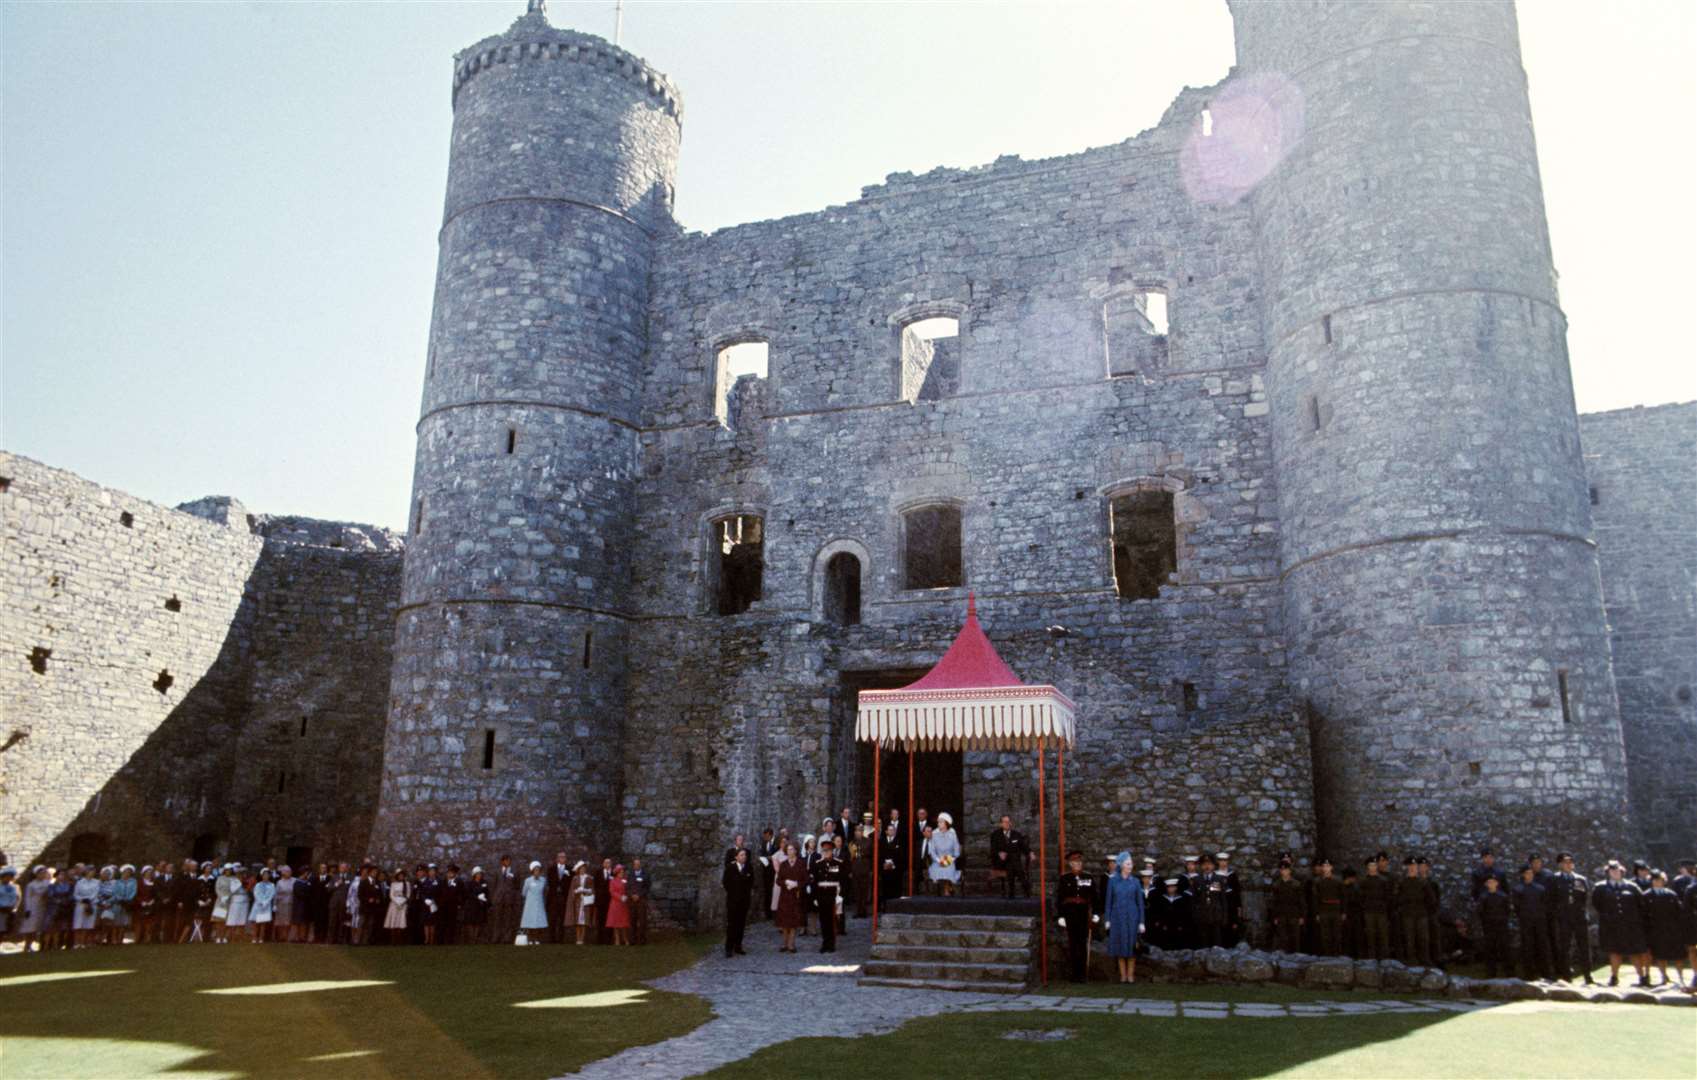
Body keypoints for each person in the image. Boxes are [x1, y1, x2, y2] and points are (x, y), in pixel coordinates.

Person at [1593, 859, 1650, 987]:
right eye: (1612, 870)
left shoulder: (1632, 887)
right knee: (1614, 952)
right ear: (1608, 872)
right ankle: (1614, 977)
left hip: (1630, 925)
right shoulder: (1600, 887)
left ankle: (1641, 977)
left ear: (1622, 871)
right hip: (1611, 925)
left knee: (1634, 952)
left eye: (1617, 870)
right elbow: (1597, 904)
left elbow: (1641, 904)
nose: (1615, 873)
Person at [1549, 852, 1593, 984]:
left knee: (1584, 946)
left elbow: (1585, 898)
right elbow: (1551, 899)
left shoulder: (1580, 879)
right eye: (1565, 862)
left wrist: (1584, 912)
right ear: (1560, 865)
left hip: (1579, 916)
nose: (1568, 864)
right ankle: (1566, 974)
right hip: (1563, 917)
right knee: (1565, 946)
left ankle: (1587, 975)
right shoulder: (1554, 879)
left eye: (1570, 862)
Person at [1056, 851, 1100, 982]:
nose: (1078, 864)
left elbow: (1095, 898)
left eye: (1079, 862)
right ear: (1070, 864)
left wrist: (1096, 913)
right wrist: (1061, 915)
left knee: (1082, 943)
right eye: (1075, 862)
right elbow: (1059, 898)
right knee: (1072, 943)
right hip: (1070, 913)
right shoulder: (1064, 878)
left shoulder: (1088, 877)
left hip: (1083, 913)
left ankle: (1082, 975)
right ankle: (1074, 974)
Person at [1102, 852, 1145, 984]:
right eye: (1127, 863)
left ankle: (1131, 975)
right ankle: (1123, 975)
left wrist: (1142, 922)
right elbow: (1108, 902)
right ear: (1121, 865)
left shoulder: (1136, 882)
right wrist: (1107, 920)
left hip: (1132, 918)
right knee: (1120, 946)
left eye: (1131, 863)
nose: (1130, 866)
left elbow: (1140, 904)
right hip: (1117, 918)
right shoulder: (1112, 881)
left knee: (1132, 945)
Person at [1642, 870, 1687, 988]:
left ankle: (1681, 977)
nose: (1657, 882)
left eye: (1660, 880)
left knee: (1678, 955)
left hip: (1672, 929)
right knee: (1660, 954)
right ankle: (1663, 976)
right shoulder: (1646, 896)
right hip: (1655, 930)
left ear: (1664, 881)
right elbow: (1644, 914)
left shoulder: (1671, 894)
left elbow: (1679, 911)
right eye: (1655, 880)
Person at [1512, 863, 1555, 980]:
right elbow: (1517, 907)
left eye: (1531, 873)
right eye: (1527, 873)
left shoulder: (1540, 888)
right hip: (1526, 921)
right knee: (1527, 946)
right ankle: (1529, 974)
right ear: (1522, 875)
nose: (1529, 875)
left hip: (1540, 921)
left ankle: (1546, 973)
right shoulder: (1518, 889)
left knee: (1542, 946)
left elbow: (1545, 904)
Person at [812, 838, 847, 953]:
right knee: (823, 920)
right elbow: (815, 882)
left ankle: (831, 944)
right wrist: (815, 897)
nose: (826, 852)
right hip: (822, 895)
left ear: (832, 851)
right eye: (824, 850)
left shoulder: (838, 863)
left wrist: (840, 896)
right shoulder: (818, 864)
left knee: (832, 920)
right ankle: (824, 943)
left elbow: (843, 881)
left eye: (828, 850)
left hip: (833, 895)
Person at [1395, 857, 1430, 966]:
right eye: (1410, 866)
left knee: (1423, 938)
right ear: (1406, 868)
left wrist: (1425, 909)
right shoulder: (1402, 883)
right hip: (1408, 915)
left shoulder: (1423, 883)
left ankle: (1425, 961)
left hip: (1421, 914)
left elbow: (1431, 900)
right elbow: (1397, 899)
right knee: (1409, 939)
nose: (1412, 868)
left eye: (1414, 866)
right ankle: (1411, 961)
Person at [1476, 875, 1513, 977]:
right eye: (1489, 882)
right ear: (1486, 884)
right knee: (1490, 949)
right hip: (1489, 926)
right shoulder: (1483, 897)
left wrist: (1503, 920)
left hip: (1501, 925)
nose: (1491, 884)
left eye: (1493, 882)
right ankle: (1491, 971)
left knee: (1505, 948)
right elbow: (1480, 911)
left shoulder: (1503, 896)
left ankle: (1509, 971)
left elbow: (1507, 910)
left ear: (1497, 883)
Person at [1357, 857, 1391, 962]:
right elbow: (1359, 897)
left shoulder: (1383, 881)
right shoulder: (1363, 881)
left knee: (1383, 935)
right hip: (1368, 912)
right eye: (1370, 865)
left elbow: (1388, 897)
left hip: (1381, 912)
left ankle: (1384, 959)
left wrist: (1386, 909)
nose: (1373, 867)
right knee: (1370, 935)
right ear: (1367, 867)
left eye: (1374, 865)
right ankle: (1371, 958)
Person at [775, 841, 806, 953]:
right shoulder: (783, 864)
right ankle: (784, 943)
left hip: (796, 895)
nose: (790, 851)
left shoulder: (801, 863)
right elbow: (778, 880)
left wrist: (797, 884)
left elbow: (806, 880)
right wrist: (786, 882)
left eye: (792, 849)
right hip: (784, 895)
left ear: (796, 850)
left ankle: (791, 944)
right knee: (784, 921)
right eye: (788, 849)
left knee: (793, 921)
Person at [989, 815, 1031, 899]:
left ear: (1011, 823)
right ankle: (1025, 888)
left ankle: (1012, 892)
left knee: (1013, 864)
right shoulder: (995, 835)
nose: (1007, 824)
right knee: (1014, 865)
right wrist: (999, 853)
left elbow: (1023, 847)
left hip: (1013, 861)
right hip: (1001, 862)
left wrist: (1030, 852)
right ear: (1001, 824)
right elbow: (993, 849)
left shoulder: (1016, 834)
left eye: (1008, 822)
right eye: (1005, 822)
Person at [723, 847, 754, 957]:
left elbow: (751, 883)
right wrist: (733, 894)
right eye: (741, 855)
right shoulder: (730, 868)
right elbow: (725, 883)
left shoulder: (749, 868)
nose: (743, 857)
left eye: (744, 855)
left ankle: (738, 946)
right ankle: (728, 948)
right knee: (732, 924)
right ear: (736, 857)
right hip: (733, 901)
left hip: (744, 901)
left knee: (741, 924)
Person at [1270, 859, 1306, 954]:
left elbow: (1301, 901)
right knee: (1283, 937)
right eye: (1282, 870)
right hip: (1281, 914)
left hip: (1294, 913)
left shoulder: (1296, 884)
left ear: (1289, 870)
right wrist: (1274, 916)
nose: (1284, 872)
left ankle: (1296, 956)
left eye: (1286, 869)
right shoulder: (1276, 884)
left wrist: (1302, 916)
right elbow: (1274, 902)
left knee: (1295, 937)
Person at [1194, 854, 1229, 949]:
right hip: (1202, 915)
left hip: (1215, 915)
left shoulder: (1219, 879)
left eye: (1209, 864)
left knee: (1216, 941)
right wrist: (1195, 915)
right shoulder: (1197, 880)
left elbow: (1223, 899)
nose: (1207, 866)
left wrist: (1224, 916)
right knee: (1203, 942)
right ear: (1201, 866)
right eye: (1204, 864)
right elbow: (1194, 900)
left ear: (1214, 866)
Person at [927, 812, 962, 897]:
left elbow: (956, 851)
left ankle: (947, 889)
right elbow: (932, 851)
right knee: (937, 870)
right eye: (938, 822)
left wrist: (949, 860)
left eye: (941, 821)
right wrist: (939, 861)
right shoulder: (934, 834)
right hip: (938, 861)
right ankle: (941, 890)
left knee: (948, 869)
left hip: (949, 860)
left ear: (946, 823)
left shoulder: (952, 833)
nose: (939, 823)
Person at [491, 855, 520, 945]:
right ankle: (496, 938)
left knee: (508, 919)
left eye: (509, 860)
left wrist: (513, 897)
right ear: (502, 861)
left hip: (509, 899)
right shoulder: (497, 872)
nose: (508, 862)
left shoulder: (514, 872)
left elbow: (517, 886)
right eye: (506, 860)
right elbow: (494, 886)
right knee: (497, 920)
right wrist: (494, 898)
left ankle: (507, 938)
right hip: (499, 899)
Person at [545, 851, 573, 945]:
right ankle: (551, 939)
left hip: (564, 897)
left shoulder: (570, 869)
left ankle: (561, 940)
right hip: (553, 897)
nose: (562, 858)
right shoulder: (551, 869)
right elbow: (550, 882)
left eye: (564, 857)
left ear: (566, 859)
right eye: (560, 857)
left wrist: (564, 878)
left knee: (562, 919)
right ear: (557, 858)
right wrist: (558, 883)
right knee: (552, 919)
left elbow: (570, 883)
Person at [519, 861, 549, 944]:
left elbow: (545, 891)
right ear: (532, 871)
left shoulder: (543, 880)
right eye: (535, 870)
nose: (537, 872)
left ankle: (536, 939)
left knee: (538, 922)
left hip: (539, 903)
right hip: (530, 904)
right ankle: (530, 939)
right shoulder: (528, 880)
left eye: (538, 870)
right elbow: (524, 892)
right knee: (530, 921)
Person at [566, 860, 596, 945]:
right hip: (577, 902)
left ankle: (582, 939)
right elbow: (572, 890)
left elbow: (592, 890)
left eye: (584, 868)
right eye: (581, 868)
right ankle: (577, 938)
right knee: (577, 922)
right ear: (578, 869)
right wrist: (576, 891)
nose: (582, 870)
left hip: (585, 901)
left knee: (584, 922)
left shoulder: (589, 878)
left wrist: (585, 890)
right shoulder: (575, 878)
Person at [851, 813, 875, 917]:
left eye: (860, 831)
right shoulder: (852, 842)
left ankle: (864, 911)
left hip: (865, 868)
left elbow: (870, 854)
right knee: (856, 891)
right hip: (855, 868)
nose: (858, 832)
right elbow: (851, 856)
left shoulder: (869, 841)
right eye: (856, 831)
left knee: (865, 891)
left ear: (862, 832)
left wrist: (871, 869)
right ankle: (857, 911)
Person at [878, 819, 902, 909]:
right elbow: (879, 854)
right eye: (890, 830)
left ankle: (894, 907)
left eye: (893, 830)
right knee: (884, 888)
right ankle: (884, 906)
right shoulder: (881, 841)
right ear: (886, 831)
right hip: (884, 868)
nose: (892, 832)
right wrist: (884, 864)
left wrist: (892, 864)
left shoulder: (899, 841)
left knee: (894, 888)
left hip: (894, 869)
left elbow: (900, 855)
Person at [438, 865, 465, 945]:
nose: (450, 874)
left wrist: (460, 904)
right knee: (442, 925)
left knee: (451, 925)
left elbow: (463, 894)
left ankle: (450, 941)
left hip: (453, 907)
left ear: (455, 874)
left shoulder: (459, 883)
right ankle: (440, 942)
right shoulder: (442, 882)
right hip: (443, 907)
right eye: (448, 872)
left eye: (452, 872)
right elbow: (438, 893)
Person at [606, 865, 631, 946]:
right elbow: (612, 892)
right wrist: (620, 897)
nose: (622, 872)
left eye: (623, 871)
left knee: (624, 923)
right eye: (620, 871)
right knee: (615, 923)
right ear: (617, 872)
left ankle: (625, 939)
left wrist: (626, 895)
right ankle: (617, 939)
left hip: (624, 904)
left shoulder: (625, 880)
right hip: (615, 903)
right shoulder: (613, 881)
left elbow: (629, 889)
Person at [628, 858, 651, 945]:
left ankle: (642, 940)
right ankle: (632, 940)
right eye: (635, 864)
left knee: (642, 921)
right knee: (632, 921)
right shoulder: (630, 875)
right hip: (632, 901)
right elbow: (627, 887)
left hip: (641, 901)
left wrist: (639, 895)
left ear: (640, 865)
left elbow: (647, 887)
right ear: (633, 865)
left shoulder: (646, 875)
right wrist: (632, 895)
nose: (636, 865)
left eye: (638, 864)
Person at [465, 867, 491, 941]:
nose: (479, 875)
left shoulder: (484, 883)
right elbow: (468, 893)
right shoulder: (469, 883)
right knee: (471, 922)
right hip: (472, 905)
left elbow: (487, 892)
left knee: (478, 922)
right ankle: (471, 938)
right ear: (474, 874)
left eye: (480, 873)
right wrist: (477, 896)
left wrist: (485, 899)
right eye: (478, 873)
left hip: (480, 905)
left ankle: (475, 938)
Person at [385, 867, 410, 945]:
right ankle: (393, 941)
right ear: (397, 876)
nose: (401, 877)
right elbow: (391, 895)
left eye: (402, 875)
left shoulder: (407, 884)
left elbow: (408, 894)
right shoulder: (393, 884)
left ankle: (400, 941)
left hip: (402, 905)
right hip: (394, 905)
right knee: (393, 922)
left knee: (400, 923)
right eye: (399, 875)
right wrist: (396, 902)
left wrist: (402, 902)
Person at [251, 869, 276, 943]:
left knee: (263, 923)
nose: (266, 876)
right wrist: (261, 902)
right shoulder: (258, 885)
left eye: (267, 875)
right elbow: (256, 894)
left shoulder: (272, 885)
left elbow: (272, 894)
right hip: (258, 905)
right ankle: (254, 937)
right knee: (256, 922)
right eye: (264, 875)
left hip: (266, 905)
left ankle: (261, 938)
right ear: (261, 876)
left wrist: (266, 902)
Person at [595, 858, 615, 945]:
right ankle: (600, 940)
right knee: (600, 920)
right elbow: (595, 885)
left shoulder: (614, 873)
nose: (607, 864)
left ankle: (609, 940)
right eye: (605, 862)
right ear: (603, 864)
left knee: (610, 920)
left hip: (610, 900)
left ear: (611, 864)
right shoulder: (598, 872)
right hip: (600, 901)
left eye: (609, 863)